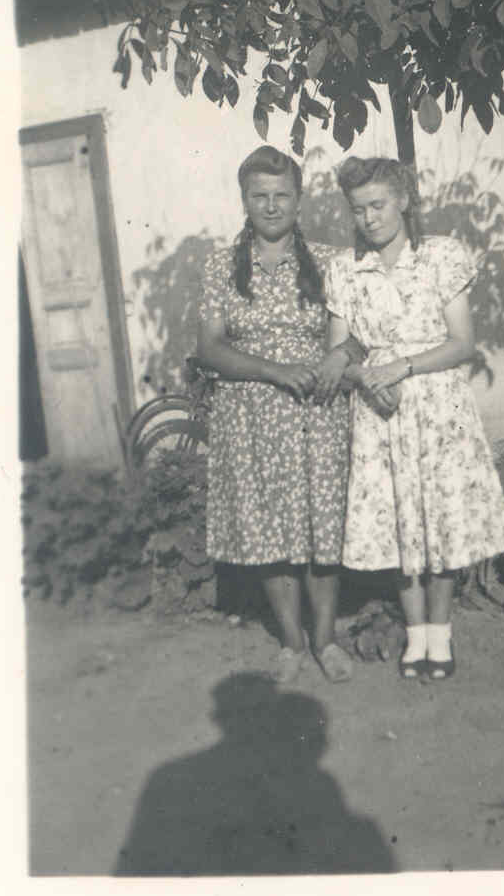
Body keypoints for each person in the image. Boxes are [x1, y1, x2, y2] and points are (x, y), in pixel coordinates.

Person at [318, 157, 504, 680]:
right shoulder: (345, 268)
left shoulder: (441, 256)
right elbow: (339, 351)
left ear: (403, 201)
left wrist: (401, 367)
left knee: (440, 516)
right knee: (398, 521)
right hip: (379, 409)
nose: (369, 218)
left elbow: (462, 343)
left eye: (378, 205)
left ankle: (442, 633)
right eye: (358, 209)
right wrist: (366, 379)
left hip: (437, 407)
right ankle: (416, 635)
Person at [197, 146, 357, 685]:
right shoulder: (221, 266)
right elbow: (210, 349)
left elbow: (362, 333)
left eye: (281, 195)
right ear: (244, 200)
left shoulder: (332, 263)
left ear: (299, 198)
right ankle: (291, 643)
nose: (271, 205)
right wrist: (273, 371)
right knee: (269, 532)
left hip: (318, 413)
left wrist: (337, 358)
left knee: (322, 530)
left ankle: (326, 641)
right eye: (259, 195)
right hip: (249, 418)